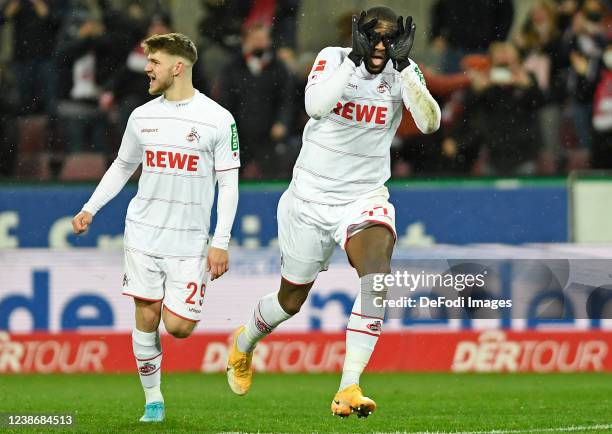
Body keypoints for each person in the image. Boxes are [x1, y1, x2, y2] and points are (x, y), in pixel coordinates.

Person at [225, 6, 440, 417]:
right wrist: (355, 59)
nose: (380, 45)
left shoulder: (404, 71)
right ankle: (245, 342)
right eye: (372, 36)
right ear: (358, 35)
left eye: (389, 38)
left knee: (376, 277)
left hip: (363, 197)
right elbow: (316, 105)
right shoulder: (333, 58)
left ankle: (349, 386)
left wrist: (408, 68)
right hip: (308, 197)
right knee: (291, 299)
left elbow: (430, 123)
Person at [71, 33, 240, 423]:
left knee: (179, 326)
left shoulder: (218, 119)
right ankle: (153, 400)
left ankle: (171, 311)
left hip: (189, 240)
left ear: (177, 67)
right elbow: (121, 166)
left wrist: (221, 242)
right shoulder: (141, 116)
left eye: (155, 62)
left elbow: (229, 184)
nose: (147, 68)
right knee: (146, 315)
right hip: (144, 231)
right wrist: (90, 208)